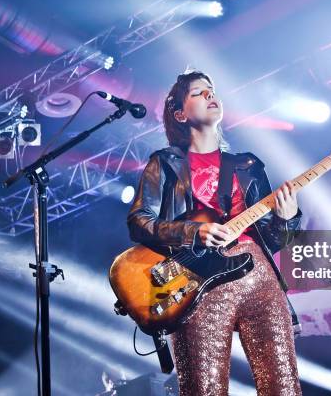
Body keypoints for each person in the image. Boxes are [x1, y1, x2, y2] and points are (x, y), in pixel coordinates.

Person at [127, 70, 303, 395]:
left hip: (259, 278)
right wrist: (194, 231)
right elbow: (138, 221)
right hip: (197, 284)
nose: (210, 95)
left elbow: (275, 241)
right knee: (202, 390)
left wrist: (287, 219)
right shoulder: (165, 163)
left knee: (284, 388)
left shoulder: (248, 165)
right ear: (179, 113)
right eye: (198, 92)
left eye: (211, 90)